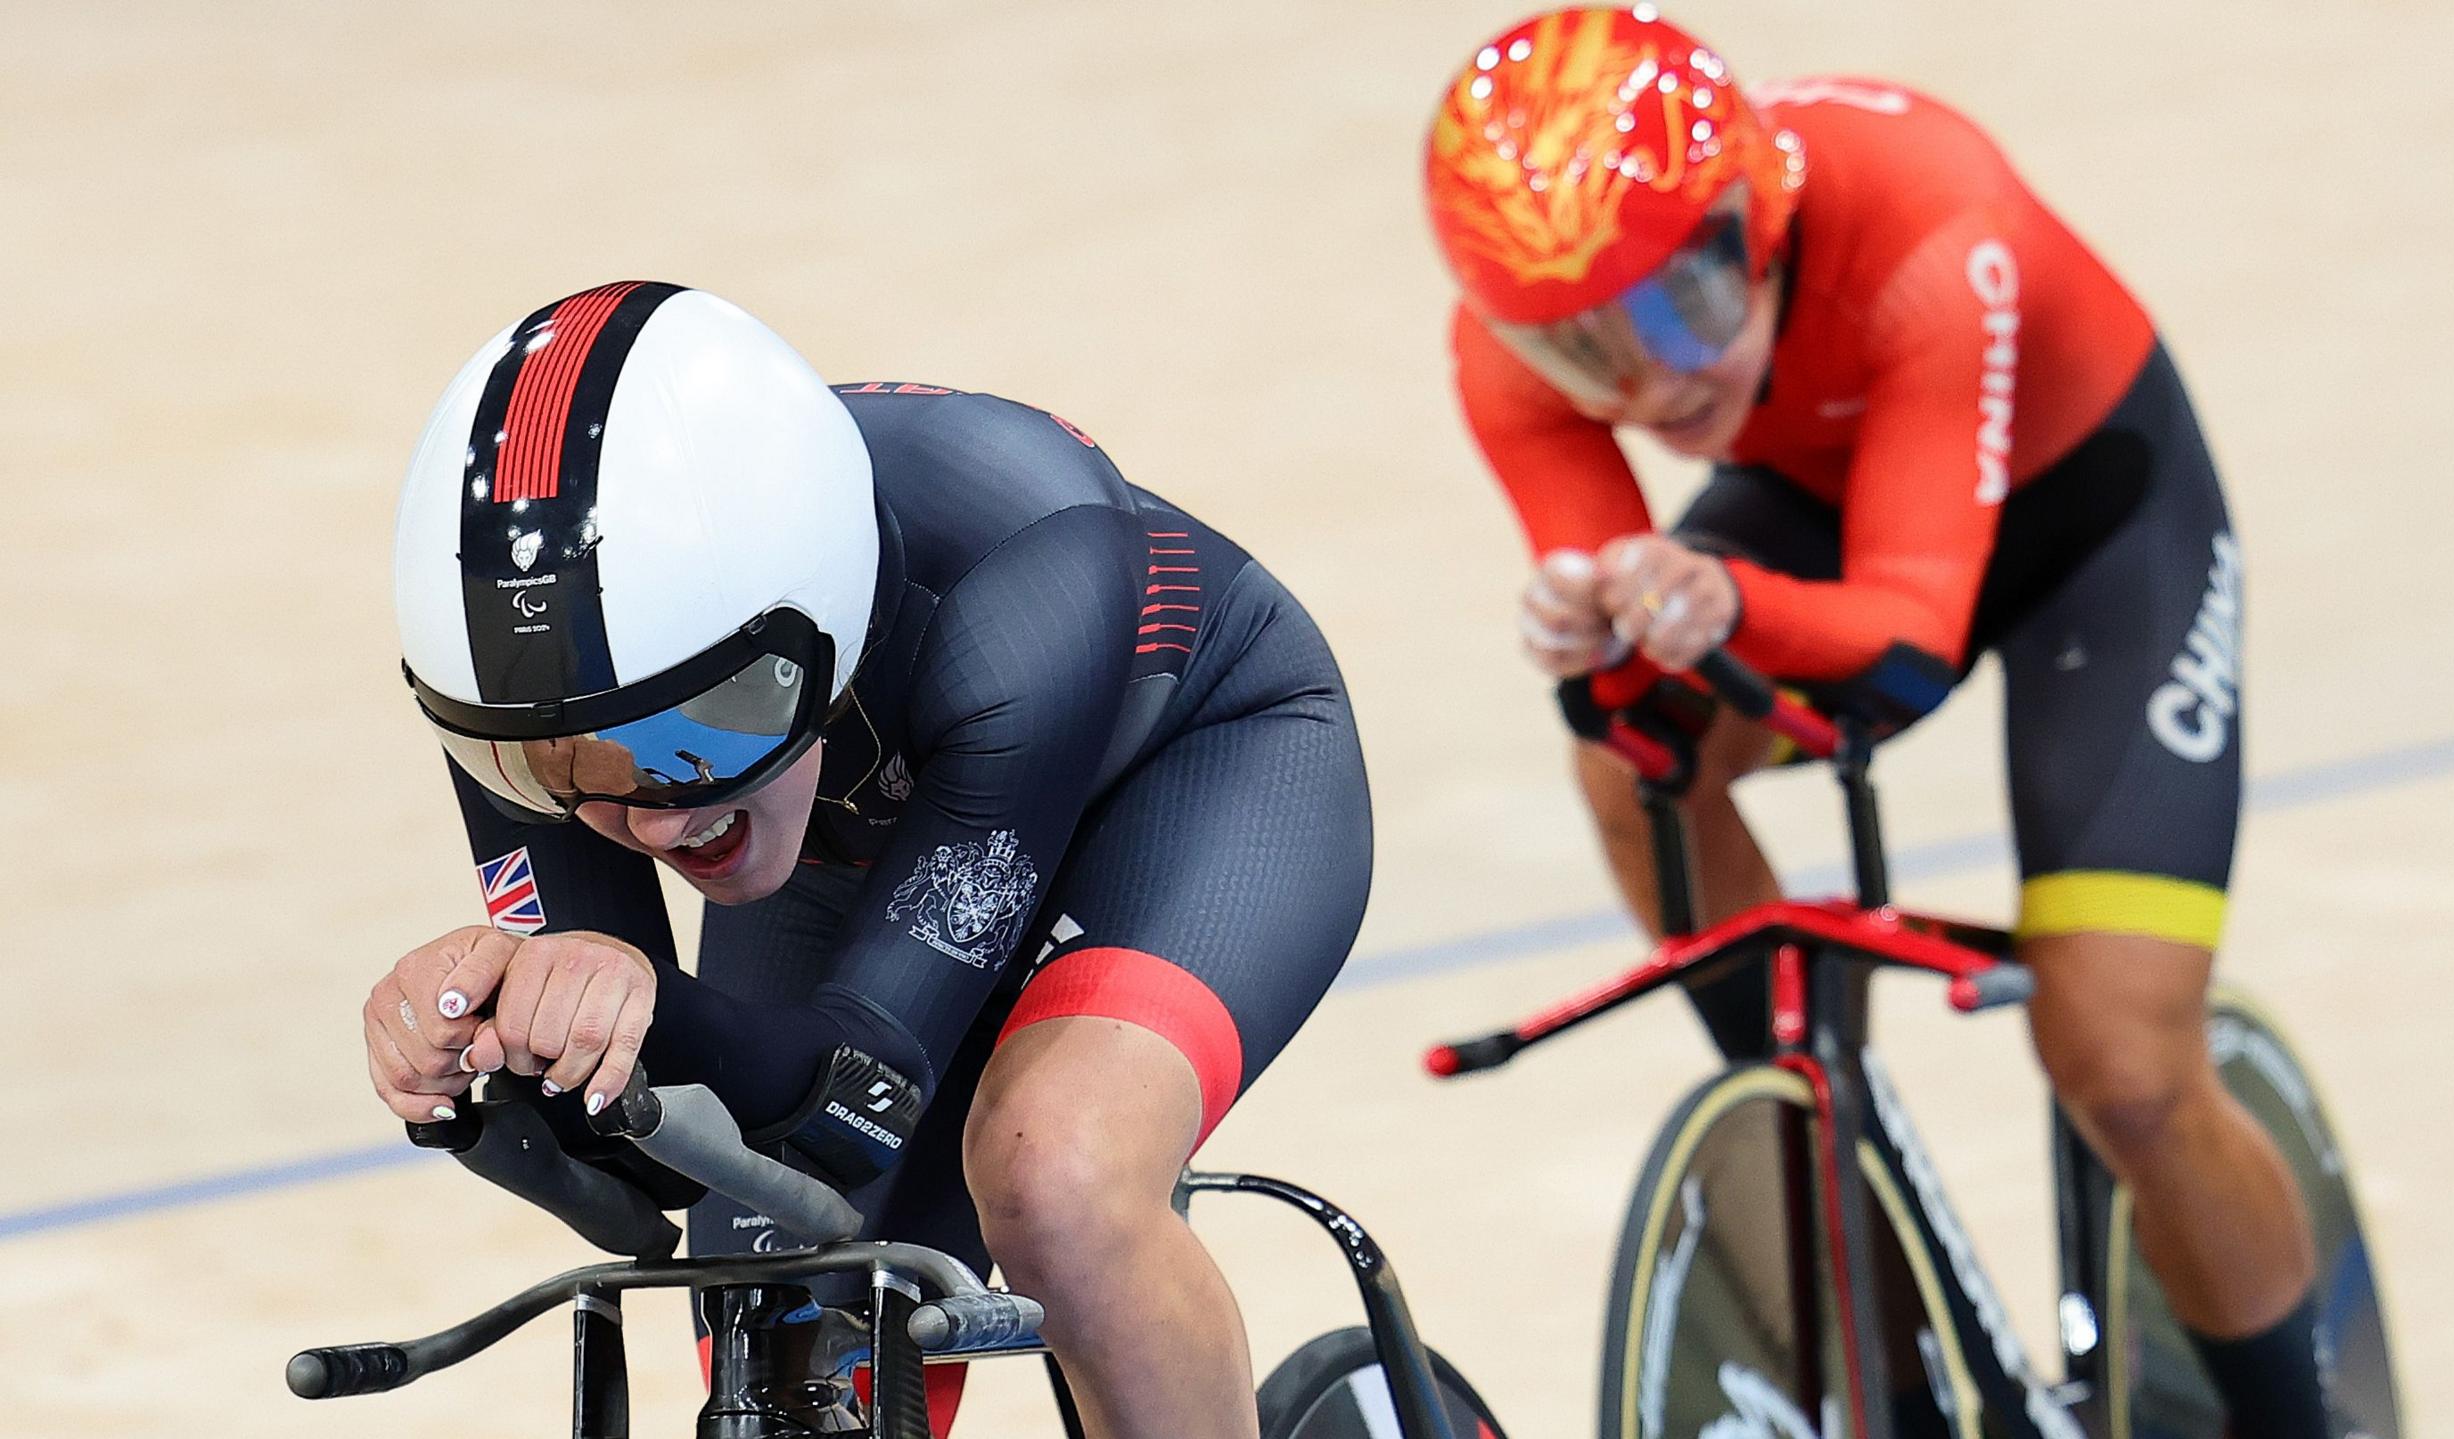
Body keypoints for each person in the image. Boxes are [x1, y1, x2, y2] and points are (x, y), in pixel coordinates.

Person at [1426, 8, 2324, 1434]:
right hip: (1831, 512)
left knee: (2127, 1068)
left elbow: (1906, 650)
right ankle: (1831, 1161)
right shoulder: (1506, 361)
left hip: (2095, 529)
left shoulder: (1926, 215)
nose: (1657, 390)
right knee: (1625, 763)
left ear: (1758, 214)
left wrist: (1715, 593)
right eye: (1591, 352)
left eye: (1682, 308)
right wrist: (1589, 644)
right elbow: (1634, 705)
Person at [360, 281, 1370, 1439]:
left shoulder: (1025, 565)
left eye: (696, 738)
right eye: (556, 765)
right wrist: (478, 1053)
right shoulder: (526, 693)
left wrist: (638, 1008)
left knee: (1058, 1177)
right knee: (781, 1309)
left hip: (1188, 778)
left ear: (823, 629)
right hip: (852, 833)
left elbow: (860, 1095)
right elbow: (647, 1177)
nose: (646, 819)